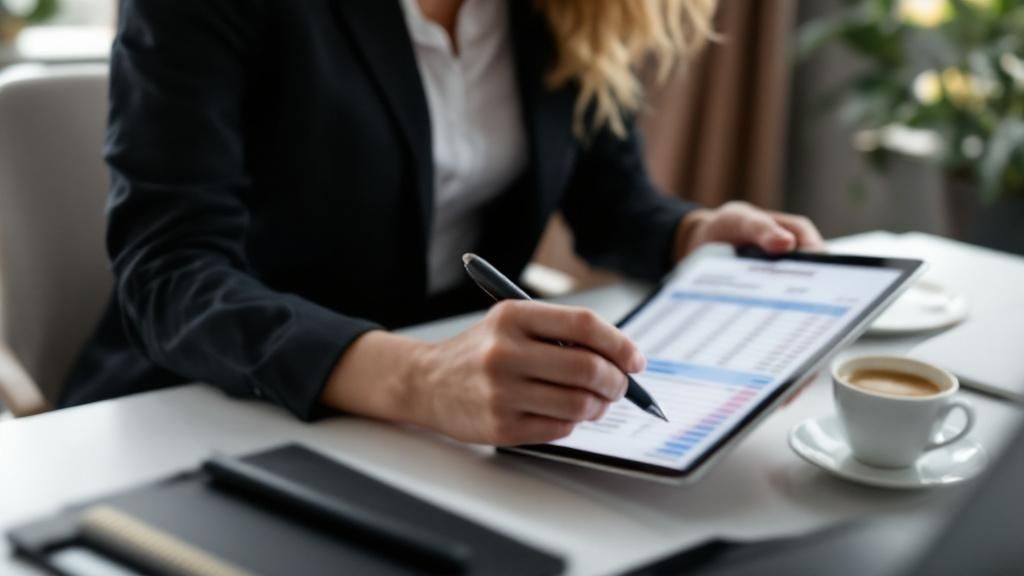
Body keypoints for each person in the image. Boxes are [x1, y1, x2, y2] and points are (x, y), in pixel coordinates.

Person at [61, 0, 824, 447]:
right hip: (212, 402)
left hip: (456, 413)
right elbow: (169, 273)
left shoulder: (562, 10)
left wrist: (695, 235)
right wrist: (423, 378)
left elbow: (611, 201)